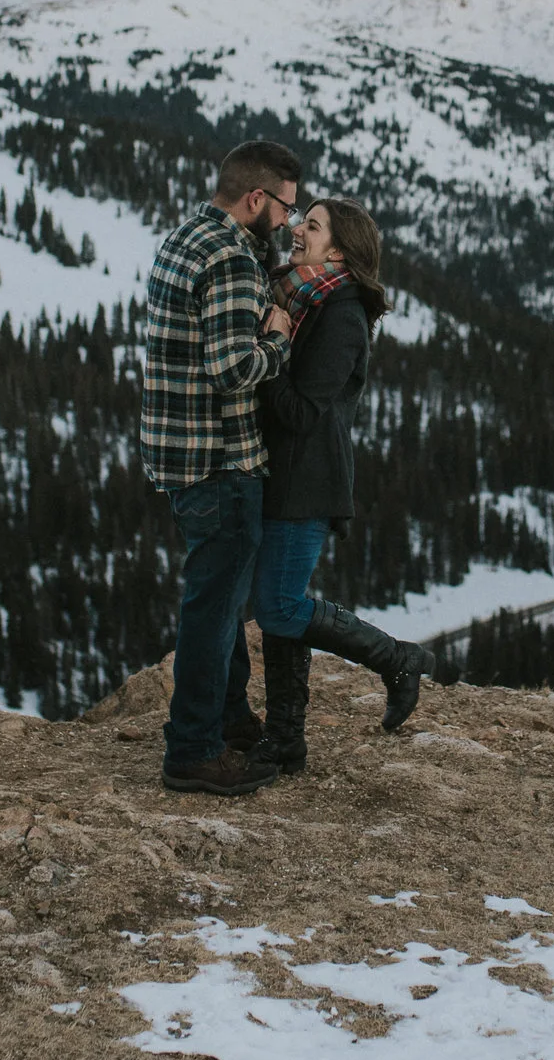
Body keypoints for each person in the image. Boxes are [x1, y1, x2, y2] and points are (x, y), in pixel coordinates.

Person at [231, 196, 437, 775]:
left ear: (338, 250)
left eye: (312, 226)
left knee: (280, 604)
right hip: (282, 476)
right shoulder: (303, 297)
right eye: (302, 220)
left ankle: (396, 659)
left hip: (308, 481)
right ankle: (285, 739)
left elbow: (301, 412)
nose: (297, 230)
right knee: (278, 607)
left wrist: (265, 352)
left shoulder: (340, 314)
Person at [139, 140, 303, 795]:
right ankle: (194, 749)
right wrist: (278, 338)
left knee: (224, 597)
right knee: (212, 607)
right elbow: (233, 369)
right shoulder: (233, 258)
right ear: (256, 198)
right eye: (287, 208)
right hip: (220, 456)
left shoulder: (187, 235)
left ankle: (230, 717)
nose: (290, 222)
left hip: (178, 451)